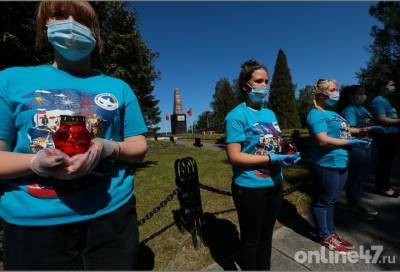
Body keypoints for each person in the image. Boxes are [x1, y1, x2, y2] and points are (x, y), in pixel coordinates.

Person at [0, 1, 148, 270]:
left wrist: (107, 148)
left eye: (81, 18)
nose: (70, 23)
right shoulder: (10, 81)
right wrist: (34, 163)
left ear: (95, 31)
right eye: (59, 15)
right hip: (33, 226)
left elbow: (139, 146)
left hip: (111, 214)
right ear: (44, 25)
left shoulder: (118, 87)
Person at [225, 59, 301, 270]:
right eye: (259, 81)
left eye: (266, 81)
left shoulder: (270, 113)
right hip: (250, 188)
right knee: (251, 240)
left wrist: (287, 153)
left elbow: (273, 143)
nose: (264, 86)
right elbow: (235, 156)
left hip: (275, 184)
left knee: (267, 237)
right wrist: (270, 159)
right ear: (244, 85)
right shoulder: (236, 116)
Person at [306, 79, 371, 254]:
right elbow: (322, 140)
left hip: (342, 161)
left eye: (337, 89)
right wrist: (351, 141)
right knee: (323, 201)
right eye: (332, 89)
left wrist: (363, 132)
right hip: (326, 164)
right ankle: (325, 235)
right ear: (320, 94)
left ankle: (332, 232)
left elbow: (347, 129)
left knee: (332, 200)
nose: (336, 93)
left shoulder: (334, 114)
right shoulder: (316, 114)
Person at [337, 85, 383, 218]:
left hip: (367, 146)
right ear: (351, 96)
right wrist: (367, 130)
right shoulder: (350, 109)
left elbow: (367, 124)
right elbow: (349, 129)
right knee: (355, 178)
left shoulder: (362, 108)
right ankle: (353, 207)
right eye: (360, 93)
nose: (364, 96)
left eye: (364, 93)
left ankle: (357, 203)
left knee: (361, 177)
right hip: (357, 147)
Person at [370, 80, 400, 197]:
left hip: (392, 134)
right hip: (385, 135)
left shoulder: (386, 100)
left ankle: (386, 186)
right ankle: (383, 188)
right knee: (385, 162)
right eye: (391, 85)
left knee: (388, 162)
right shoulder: (378, 100)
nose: (393, 87)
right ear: (382, 87)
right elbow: (382, 119)